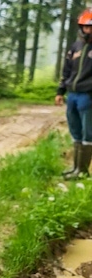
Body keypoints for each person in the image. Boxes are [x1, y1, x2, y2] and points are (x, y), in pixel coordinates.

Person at [56, 7, 92, 180]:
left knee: (88, 133)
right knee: (75, 131)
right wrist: (60, 91)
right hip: (72, 95)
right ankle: (76, 168)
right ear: (81, 27)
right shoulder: (75, 46)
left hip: (88, 96)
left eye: (91, 27)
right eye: (86, 27)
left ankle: (83, 171)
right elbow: (67, 70)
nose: (88, 30)